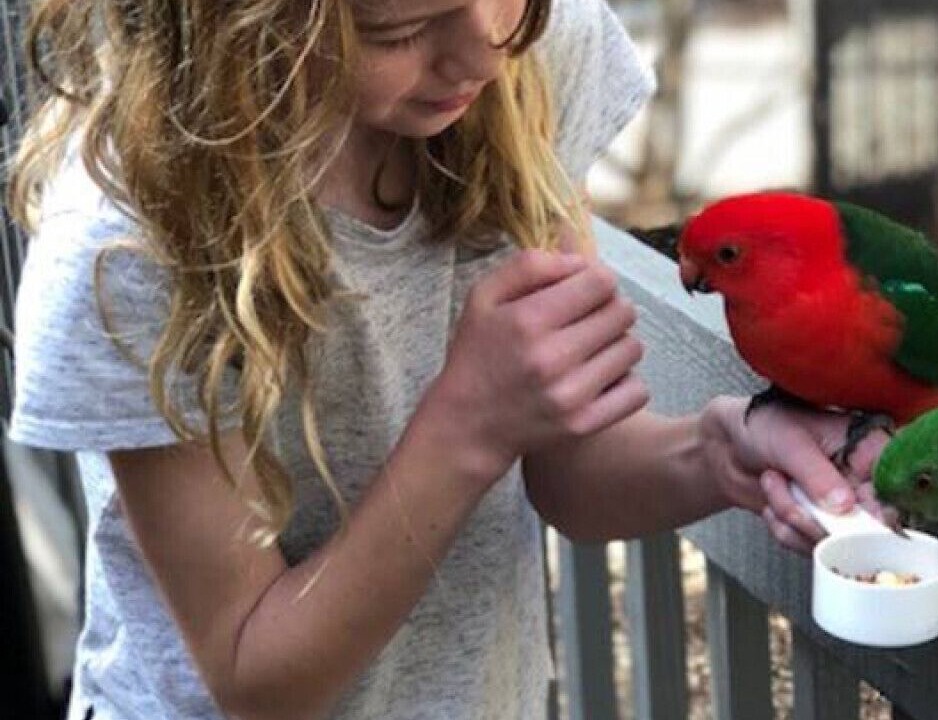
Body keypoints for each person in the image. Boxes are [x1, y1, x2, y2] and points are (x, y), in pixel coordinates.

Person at [6, 0, 885, 717]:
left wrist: (720, 449)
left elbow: (573, 478)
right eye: (398, 29)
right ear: (242, 23)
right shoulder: (130, 241)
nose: (486, 50)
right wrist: (468, 424)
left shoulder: (529, 59)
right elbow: (254, 676)